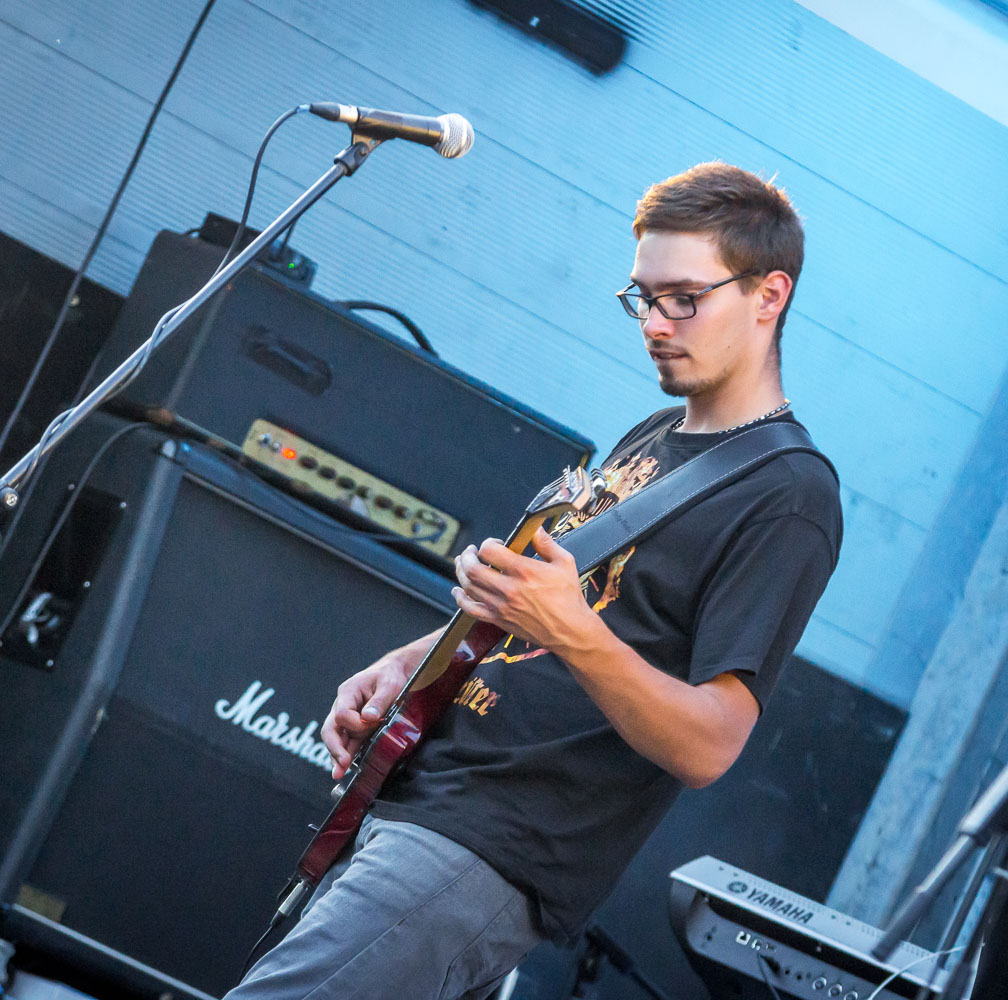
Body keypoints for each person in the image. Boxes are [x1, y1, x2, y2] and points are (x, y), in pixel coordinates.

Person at [226, 162, 843, 1000]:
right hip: (423, 796)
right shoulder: (655, 432)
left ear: (769, 295)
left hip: (488, 845)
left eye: (684, 299)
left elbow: (710, 744)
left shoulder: (791, 497)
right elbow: (556, 608)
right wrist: (411, 662)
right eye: (643, 298)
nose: (655, 324)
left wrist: (572, 633)